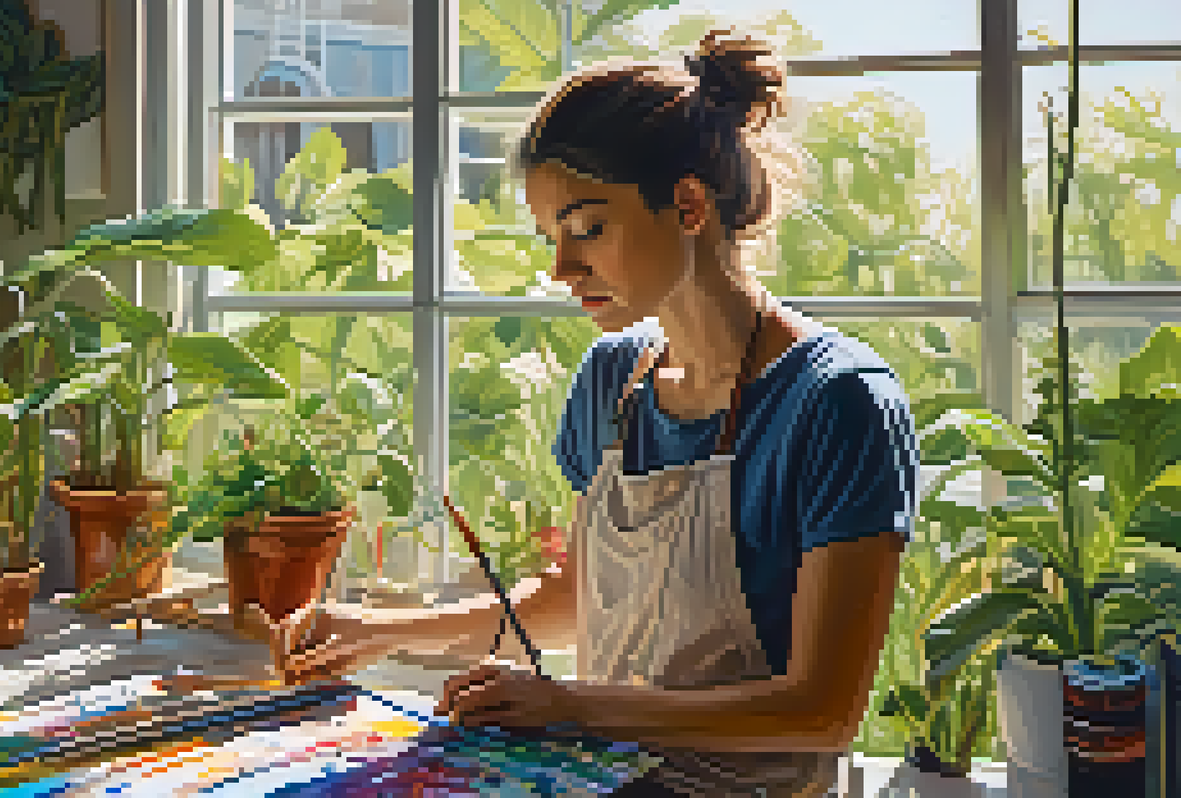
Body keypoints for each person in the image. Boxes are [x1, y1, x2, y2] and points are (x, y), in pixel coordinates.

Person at [272, 28, 919, 798]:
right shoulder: (615, 377)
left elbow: (822, 714)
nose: (562, 267)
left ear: (688, 205)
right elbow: (572, 602)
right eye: (552, 237)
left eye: (587, 229)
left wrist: (571, 706)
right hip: (600, 778)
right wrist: (376, 633)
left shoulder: (838, 401)